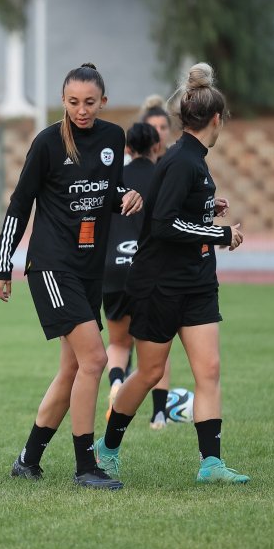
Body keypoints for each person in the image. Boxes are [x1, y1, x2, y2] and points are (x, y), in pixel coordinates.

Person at [94, 62, 249, 485]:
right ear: (216, 120)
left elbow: (175, 209)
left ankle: (211, 464)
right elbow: (163, 225)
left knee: (210, 370)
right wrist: (220, 233)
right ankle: (106, 450)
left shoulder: (190, 159)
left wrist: (206, 207)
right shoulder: (183, 159)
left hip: (196, 283)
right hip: (160, 284)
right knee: (147, 373)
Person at [0, 63, 143, 490]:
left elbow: (107, 189)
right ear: (63, 101)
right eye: (73, 102)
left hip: (88, 270)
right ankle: (85, 467)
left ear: (104, 102)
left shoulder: (114, 138)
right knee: (95, 359)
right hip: (51, 267)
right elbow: (20, 205)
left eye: (90, 102)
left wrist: (126, 195)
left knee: (72, 367)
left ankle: (28, 459)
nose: (81, 110)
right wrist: (2, 265)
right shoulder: (46, 143)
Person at [102, 122, 172, 430]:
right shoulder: (162, 178)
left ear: (127, 149)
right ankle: (159, 414)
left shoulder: (115, 179)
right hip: (148, 271)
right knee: (156, 345)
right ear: (157, 147)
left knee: (118, 343)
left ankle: (116, 384)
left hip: (112, 268)